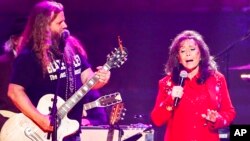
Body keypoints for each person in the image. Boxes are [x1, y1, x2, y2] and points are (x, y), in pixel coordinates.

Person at [6, 1, 110, 141]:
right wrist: (41, 120)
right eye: (59, 22)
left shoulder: (71, 49)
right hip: (40, 133)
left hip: (70, 130)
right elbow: (14, 91)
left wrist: (102, 78)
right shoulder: (29, 56)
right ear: (44, 26)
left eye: (64, 21)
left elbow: (88, 79)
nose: (65, 26)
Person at [151, 30, 236, 141]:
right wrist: (170, 99)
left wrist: (217, 119)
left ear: (201, 54)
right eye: (182, 51)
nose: (188, 53)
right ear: (178, 58)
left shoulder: (216, 79)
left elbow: (229, 112)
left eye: (192, 49)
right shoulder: (167, 83)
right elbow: (157, 119)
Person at [0, 17, 26, 129]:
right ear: (15, 40)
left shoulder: (37, 64)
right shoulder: (2, 64)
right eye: (27, 37)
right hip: (7, 124)